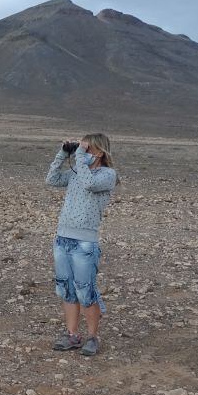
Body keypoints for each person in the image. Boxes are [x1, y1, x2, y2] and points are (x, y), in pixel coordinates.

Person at [46, 134, 118, 356]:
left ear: (99, 152)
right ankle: (72, 335)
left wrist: (79, 157)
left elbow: (89, 184)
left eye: (87, 149)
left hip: (85, 242)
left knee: (85, 291)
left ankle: (93, 337)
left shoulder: (107, 174)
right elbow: (51, 179)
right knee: (66, 289)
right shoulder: (77, 171)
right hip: (62, 237)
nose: (83, 153)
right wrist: (63, 153)